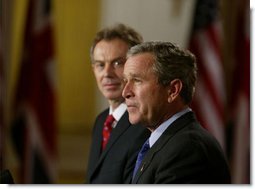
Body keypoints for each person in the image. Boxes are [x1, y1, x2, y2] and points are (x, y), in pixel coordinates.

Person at [122, 41, 231, 184]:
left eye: (137, 80)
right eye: (125, 81)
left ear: (173, 91)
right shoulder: (166, 142)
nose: (125, 92)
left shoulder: (187, 149)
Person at [86, 23, 150, 184]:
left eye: (117, 63)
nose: (107, 73)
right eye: (100, 65)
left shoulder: (146, 123)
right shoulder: (101, 121)